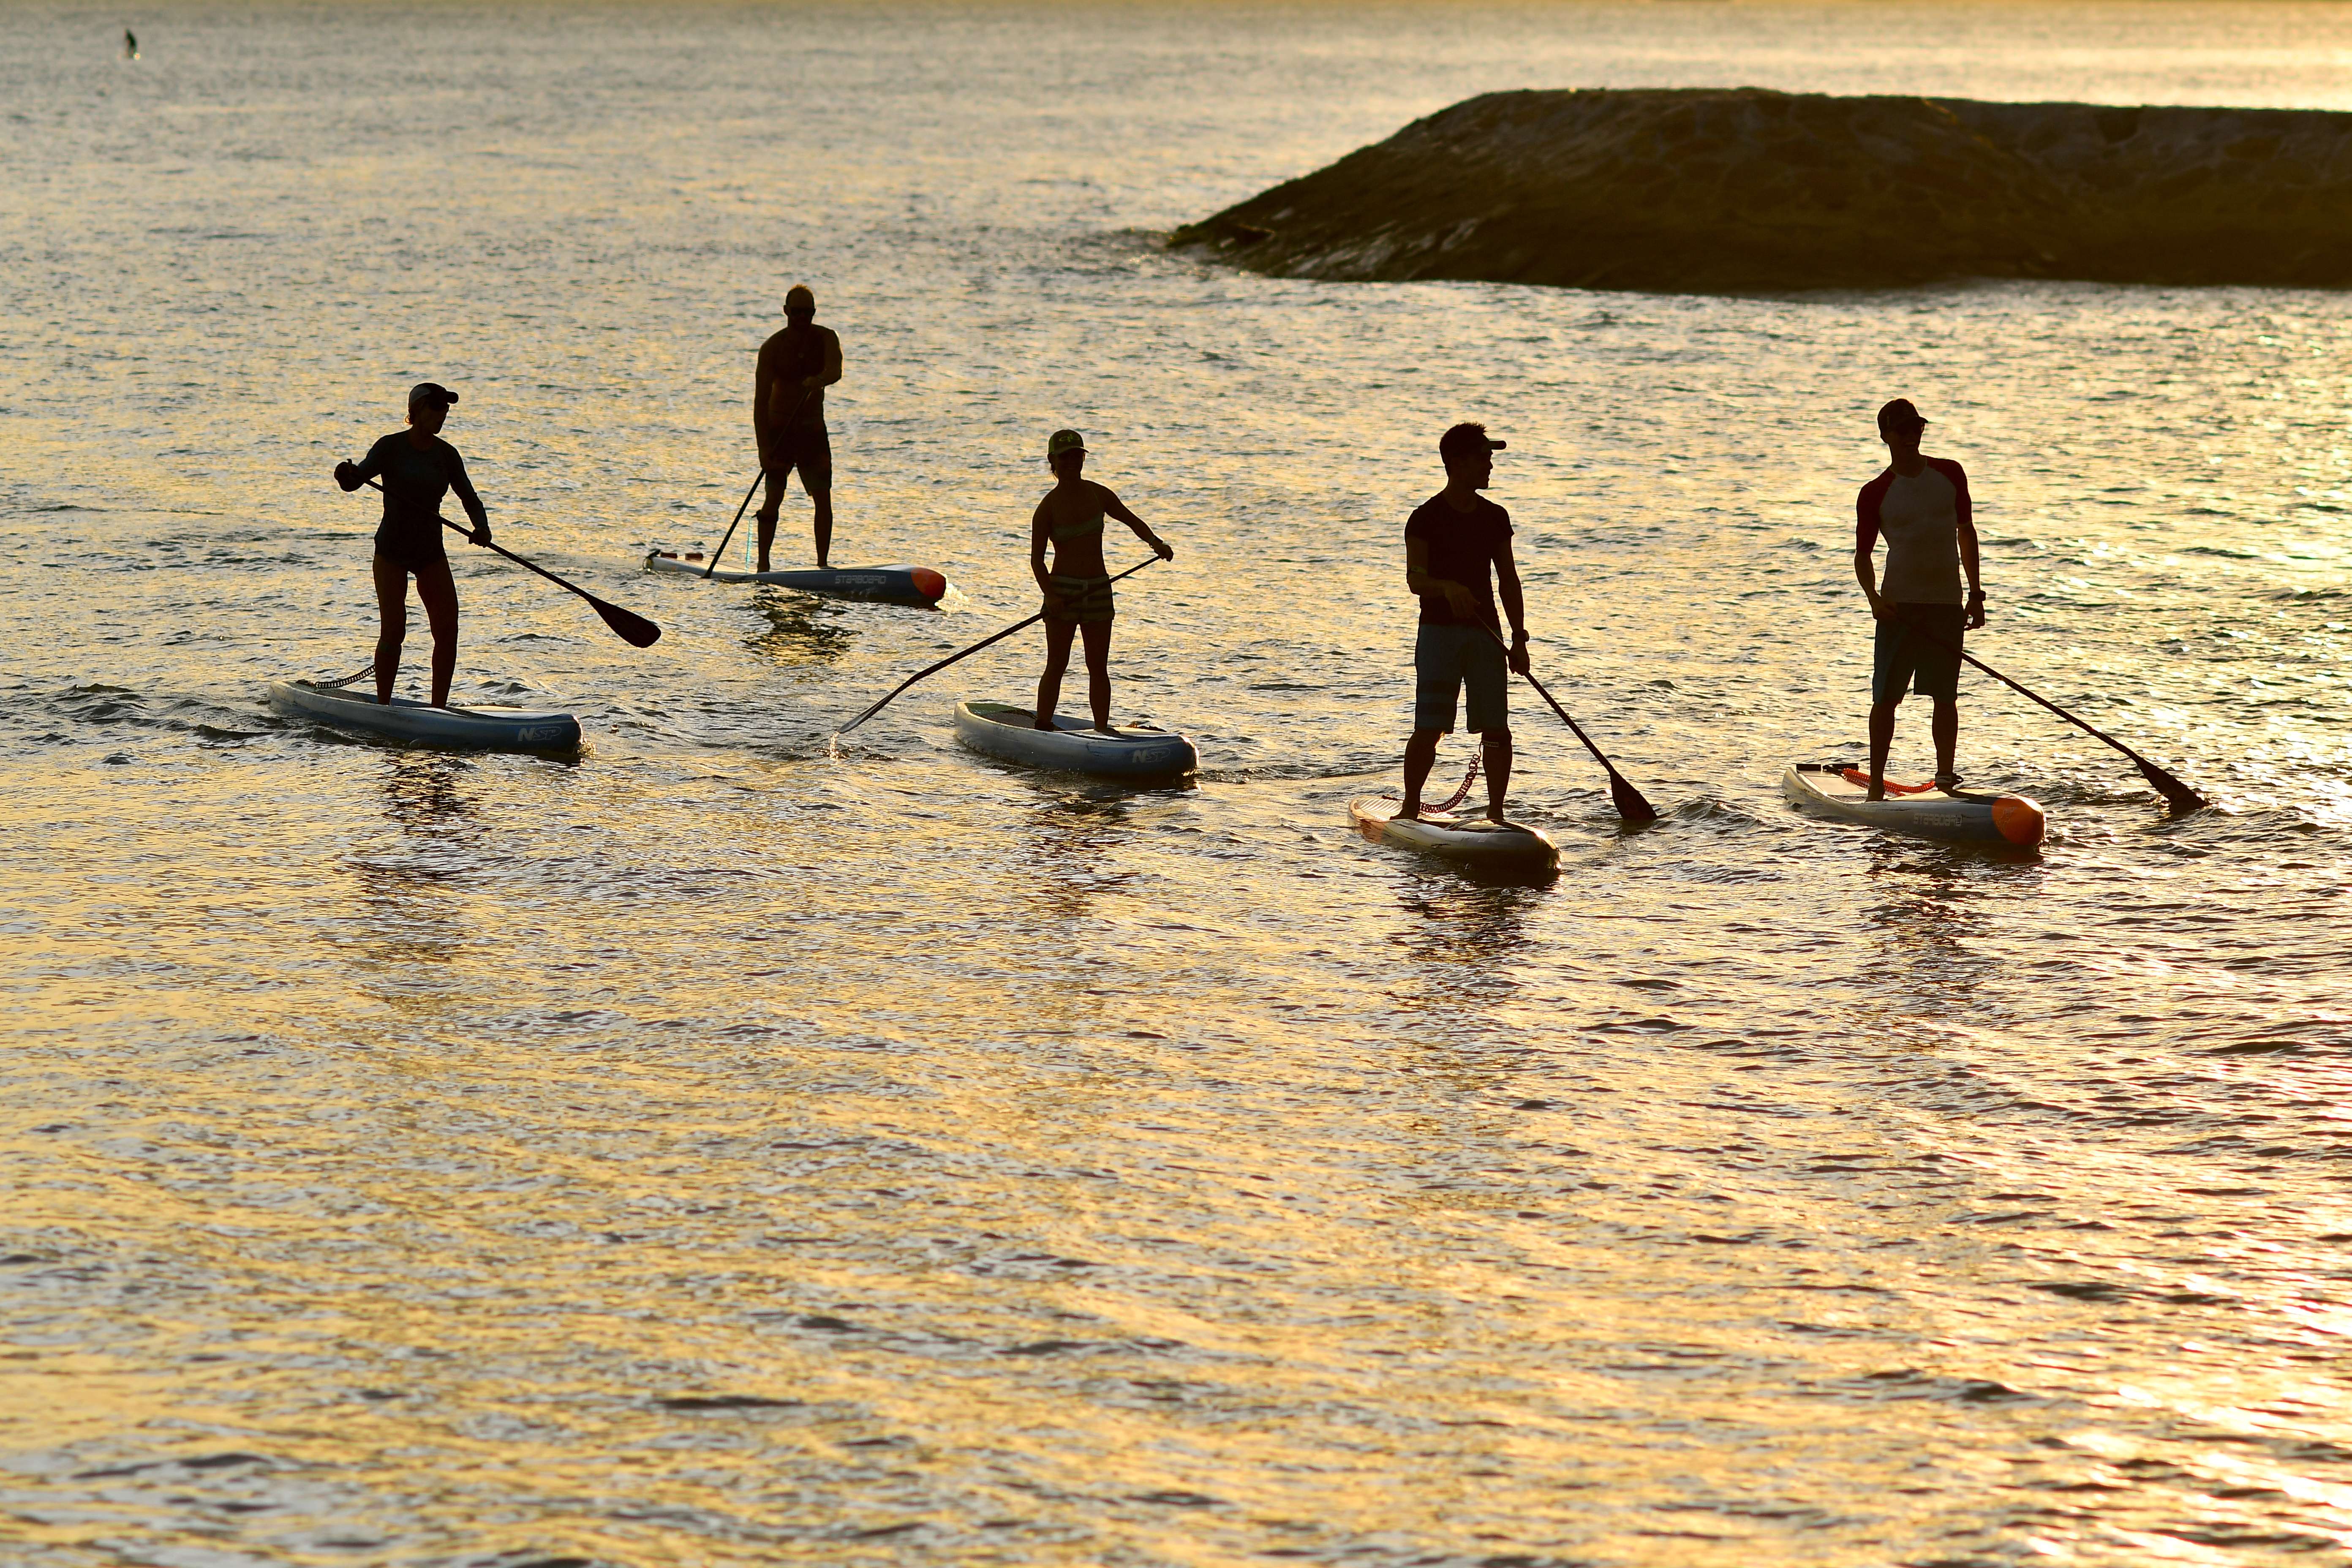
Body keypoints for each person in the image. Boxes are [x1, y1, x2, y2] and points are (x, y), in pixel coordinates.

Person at [1854, 397, 1986, 799]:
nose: (1912, 436)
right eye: (1903, 431)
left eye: (1917, 429)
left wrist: (1976, 594)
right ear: (1886, 436)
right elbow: (1863, 555)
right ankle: (1876, 784)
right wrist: (1875, 600)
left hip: (1946, 605)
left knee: (1946, 697)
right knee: (1887, 699)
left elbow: (1967, 532)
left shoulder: (1950, 474)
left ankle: (1945, 778)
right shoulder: (1875, 492)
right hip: (1899, 609)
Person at [333, 382, 491, 709]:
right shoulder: (390, 448)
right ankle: (383, 707)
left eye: (446, 409)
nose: (443, 414)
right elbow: (355, 481)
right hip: (391, 551)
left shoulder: (447, 455)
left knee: (448, 632)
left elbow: (470, 498)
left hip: (430, 552)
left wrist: (482, 528)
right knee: (394, 632)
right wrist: (345, 475)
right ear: (417, 410)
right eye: (436, 407)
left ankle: (439, 711)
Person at [1400, 423, 1529, 822]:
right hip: (1439, 635)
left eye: (1490, 458)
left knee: (1497, 729)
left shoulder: (1495, 517)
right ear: (1457, 463)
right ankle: (1409, 810)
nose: (1490, 466)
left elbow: (1508, 579)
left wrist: (1519, 639)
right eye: (1483, 458)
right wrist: (1446, 587)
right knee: (1430, 726)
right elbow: (1415, 581)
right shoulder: (1425, 518)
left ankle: (1496, 815)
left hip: (1486, 636)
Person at [1029, 429, 1172, 732]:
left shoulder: (1099, 494)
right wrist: (1051, 597)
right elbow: (1037, 560)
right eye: (1065, 457)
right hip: (1062, 592)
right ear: (1052, 460)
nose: (1072, 462)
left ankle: (1102, 729)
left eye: (1077, 456)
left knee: (1098, 667)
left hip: (1098, 590)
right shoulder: (1047, 508)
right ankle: (1043, 725)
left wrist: (1155, 543)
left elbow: (1132, 520)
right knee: (1057, 663)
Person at [752, 284, 843, 572]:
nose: (802, 318)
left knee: (823, 497)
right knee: (774, 497)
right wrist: (763, 449)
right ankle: (763, 565)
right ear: (786, 312)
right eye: (796, 313)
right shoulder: (772, 349)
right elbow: (760, 404)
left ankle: (823, 565)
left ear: (814, 313)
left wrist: (820, 380)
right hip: (781, 432)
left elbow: (835, 370)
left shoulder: (826, 338)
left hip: (813, 432)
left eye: (807, 313)